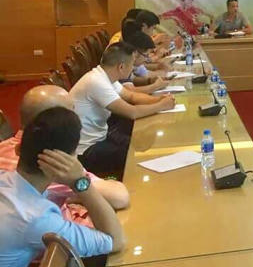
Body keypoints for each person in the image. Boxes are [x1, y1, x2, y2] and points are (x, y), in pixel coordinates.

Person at [0, 107, 125, 267]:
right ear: (65, 164)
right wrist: (80, 182)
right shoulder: (36, 218)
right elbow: (115, 241)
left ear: (18, 149)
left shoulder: (5, 178)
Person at [0, 85, 130, 213]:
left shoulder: (5, 146)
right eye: (72, 110)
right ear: (56, 121)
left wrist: (74, 196)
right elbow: (119, 198)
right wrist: (80, 187)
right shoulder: (49, 158)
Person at [70, 42, 176, 179]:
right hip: (87, 150)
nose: (133, 68)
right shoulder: (96, 82)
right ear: (121, 67)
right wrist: (161, 106)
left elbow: (131, 96)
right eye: (131, 64)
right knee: (135, 153)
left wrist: (159, 99)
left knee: (137, 142)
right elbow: (132, 112)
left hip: (101, 135)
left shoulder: (105, 76)